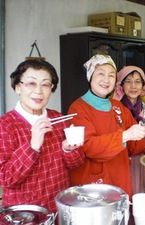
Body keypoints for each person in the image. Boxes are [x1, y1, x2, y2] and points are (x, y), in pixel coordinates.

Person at [68, 55, 145, 199]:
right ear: (90, 76)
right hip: (94, 184)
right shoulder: (78, 108)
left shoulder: (118, 107)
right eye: (101, 73)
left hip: (120, 178)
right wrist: (125, 135)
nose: (106, 80)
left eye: (111, 75)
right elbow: (89, 147)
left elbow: (133, 145)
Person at [0, 59, 85, 213]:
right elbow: (6, 178)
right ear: (18, 87)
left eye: (45, 84)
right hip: (25, 214)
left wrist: (68, 149)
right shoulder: (5, 125)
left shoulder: (58, 118)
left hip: (58, 208)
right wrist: (32, 146)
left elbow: (76, 164)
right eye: (31, 83)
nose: (39, 91)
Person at [113, 65, 145, 194]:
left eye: (137, 82)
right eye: (128, 81)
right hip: (120, 161)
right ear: (121, 84)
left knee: (141, 194)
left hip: (143, 159)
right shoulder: (113, 107)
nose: (133, 86)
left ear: (142, 85)